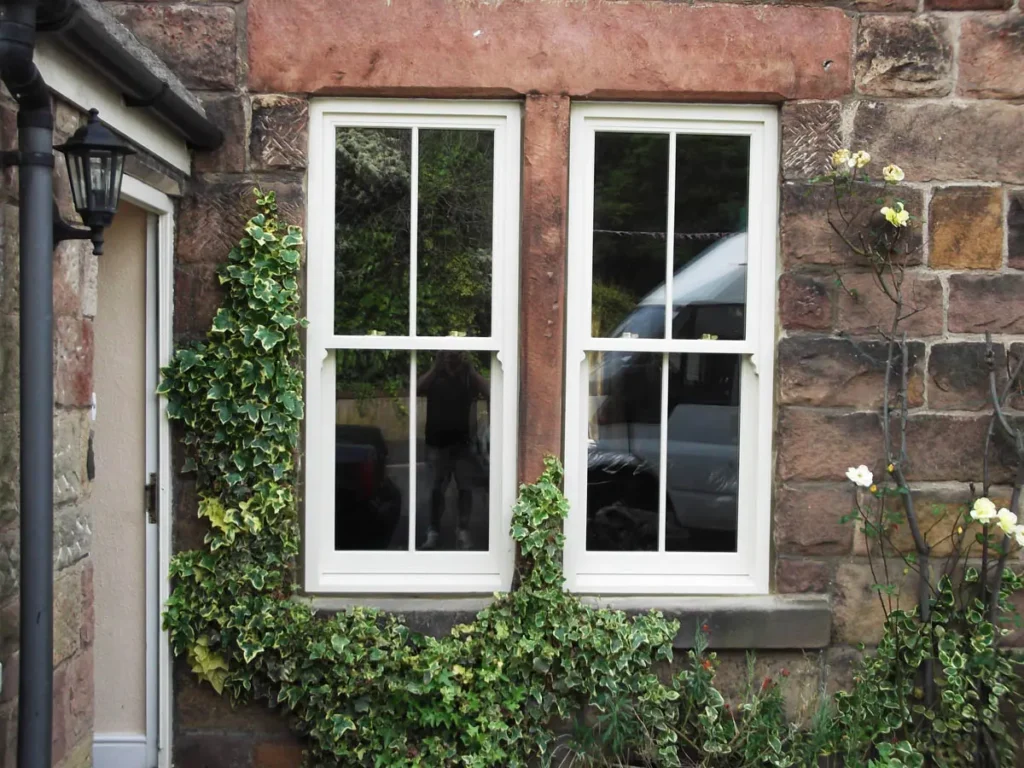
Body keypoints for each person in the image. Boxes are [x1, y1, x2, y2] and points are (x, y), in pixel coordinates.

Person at [417, 351, 489, 550]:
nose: (452, 358)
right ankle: (433, 531)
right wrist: (435, 367)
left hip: (462, 443)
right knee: (436, 489)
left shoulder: (467, 377)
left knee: (465, 489)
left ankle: (463, 530)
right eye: (448, 354)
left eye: (455, 354)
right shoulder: (435, 377)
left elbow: (489, 391)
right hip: (437, 443)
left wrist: (471, 369)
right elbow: (417, 388)